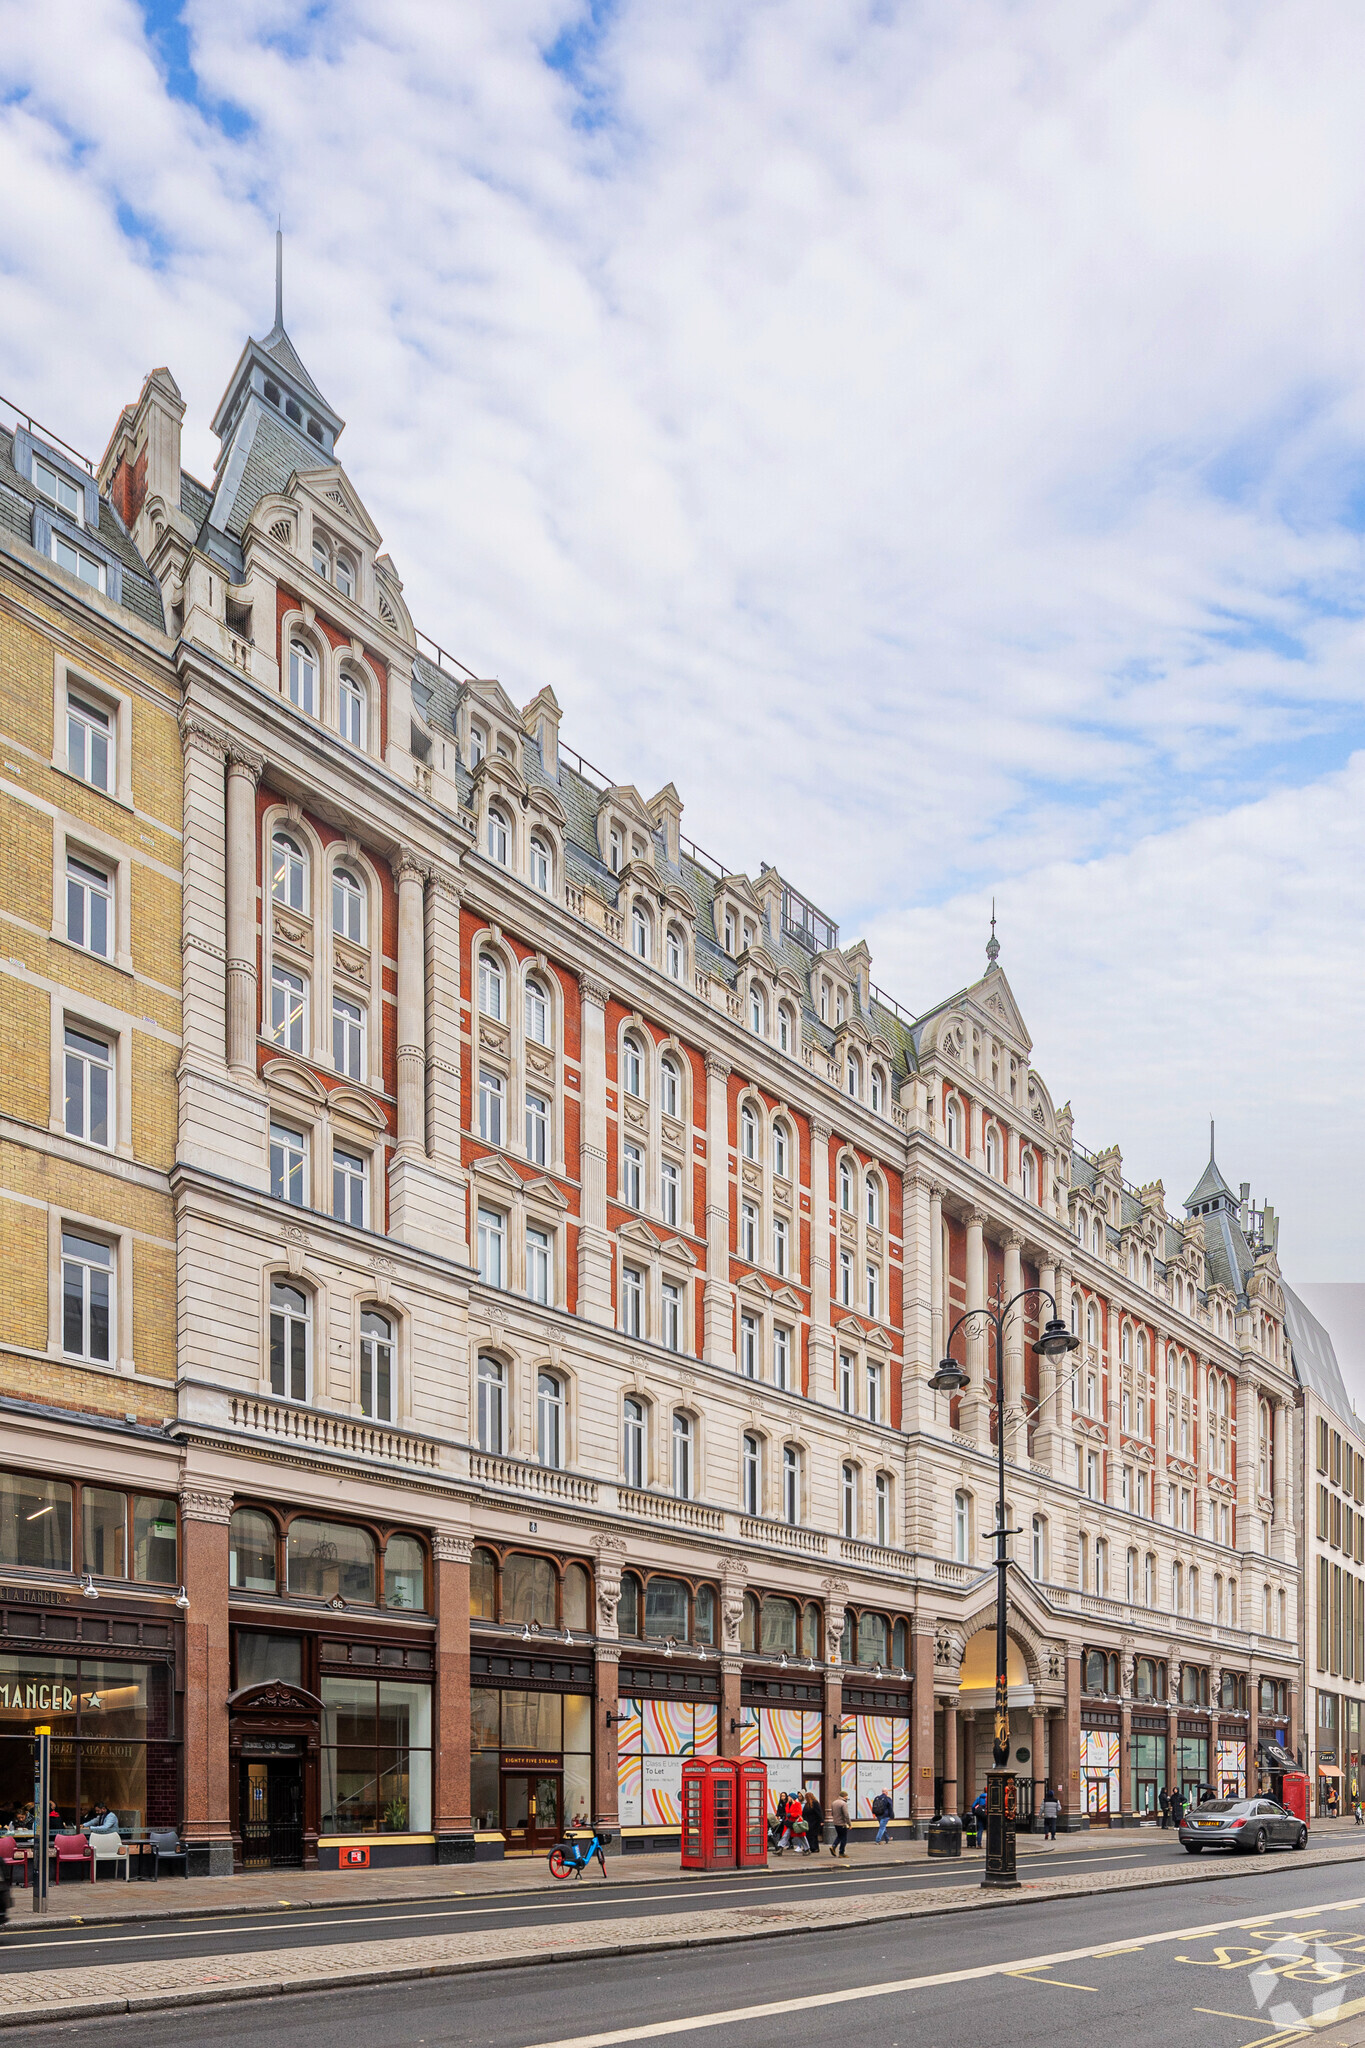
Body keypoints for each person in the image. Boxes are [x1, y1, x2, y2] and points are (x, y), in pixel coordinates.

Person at [829, 1788, 851, 1859]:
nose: (847, 1797)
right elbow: (846, 1815)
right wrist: (849, 1824)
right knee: (844, 1838)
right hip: (842, 1823)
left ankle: (833, 1846)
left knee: (839, 1836)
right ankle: (841, 1852)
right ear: (844, 1796)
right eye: (847, 1796)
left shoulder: (834, 1802)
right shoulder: (843, 1803)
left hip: (836, 1823)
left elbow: (832, 1813)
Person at [803, 1788, 824, 1854]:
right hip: (808, 1822)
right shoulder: (807, 1804)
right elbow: (804, 1813)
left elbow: (819, 1813)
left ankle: (814, 1848)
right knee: (809, 1835)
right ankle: (811, 1847)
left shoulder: (815, 1803)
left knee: (813, 1835)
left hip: (814, 1822)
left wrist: (821, 1821)